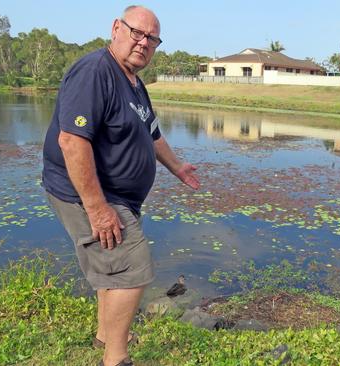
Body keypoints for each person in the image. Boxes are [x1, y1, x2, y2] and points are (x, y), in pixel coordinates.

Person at [42, 6, 200, 366]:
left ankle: (105, 335)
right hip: (87, 192)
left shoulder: (133, 81)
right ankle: (116, 358)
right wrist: (98, 210)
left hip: (118, 196)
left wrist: (176, 167)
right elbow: (72, 141)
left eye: (152, 39)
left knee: (113, 268)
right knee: (132, 268)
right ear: (116, 29)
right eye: (137, 33)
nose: (143, 43)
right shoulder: (95, 71)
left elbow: (152, 132)